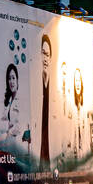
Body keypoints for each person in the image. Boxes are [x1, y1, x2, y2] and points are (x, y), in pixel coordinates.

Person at [38, 34, 52, 168]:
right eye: (43, 53)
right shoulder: (37, 80)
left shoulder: (52, 82)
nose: (45, 58)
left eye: (48, 55)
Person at [0, 63, 21, 139]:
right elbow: (0, 126)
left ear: (17, 79)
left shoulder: (21, 99)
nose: (11, 81)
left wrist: (8, 130)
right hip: (8, 142)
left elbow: (19, 127)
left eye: (13, 78)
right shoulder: (8, 99)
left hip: (17, 142)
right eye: (9, 78)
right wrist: (9, 125)